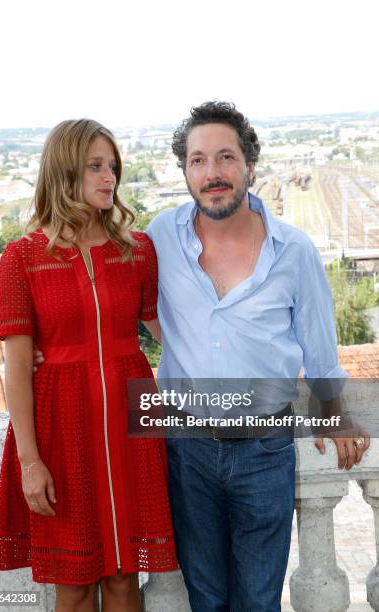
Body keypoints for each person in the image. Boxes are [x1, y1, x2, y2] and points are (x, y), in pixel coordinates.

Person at [144, 101, 370, 611]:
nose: (212, 172)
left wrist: (333, 415)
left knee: (258, 600)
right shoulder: (159, 238)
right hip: (187, 449)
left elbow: (319, 350)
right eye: (198, 160)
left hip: (264, 451)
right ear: (184, 171)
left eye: (225, 157)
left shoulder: (295, 251)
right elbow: (118, 301)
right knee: (205, 597)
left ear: (250, 164)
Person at [0, 119, 177, 612]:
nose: (108, 177)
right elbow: (18, 367)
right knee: (72, 588)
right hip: (61, 431)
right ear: (64, 172)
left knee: (123, 580)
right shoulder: (22, 259)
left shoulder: (137, 251)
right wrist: (30, 462)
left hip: (132, 432)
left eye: (112, 166)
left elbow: (171, 336)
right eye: (95, 166)